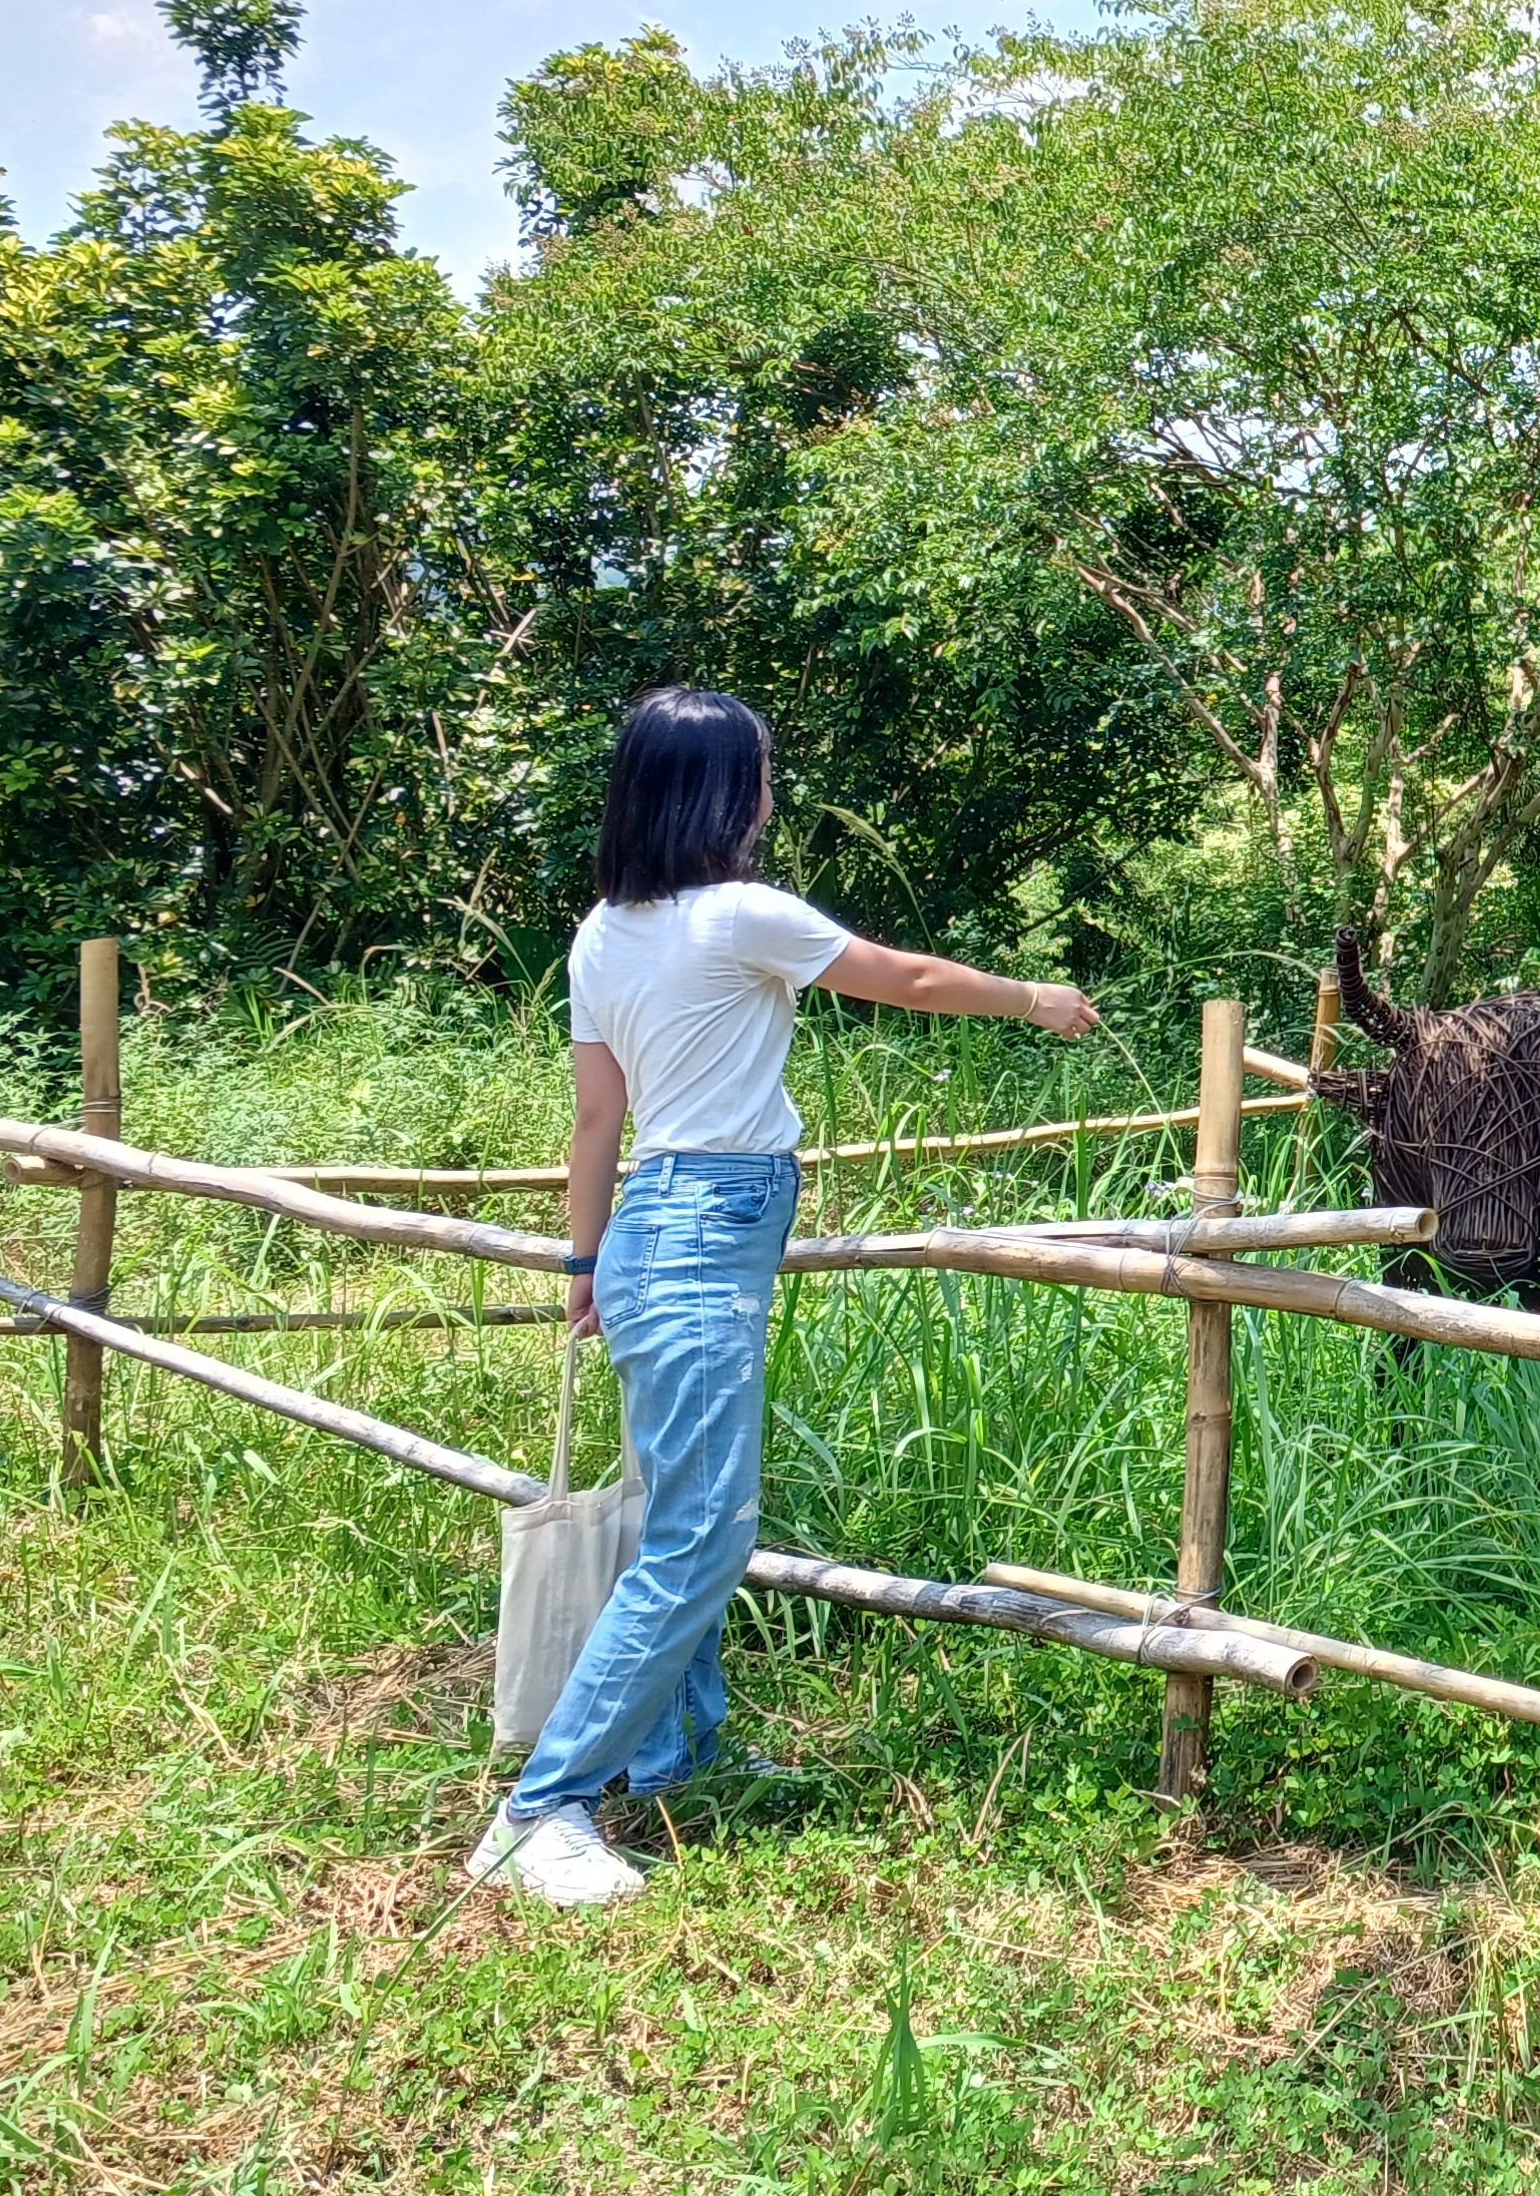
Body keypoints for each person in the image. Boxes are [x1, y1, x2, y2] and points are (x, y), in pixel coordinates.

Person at [469, 685, 1101, 1910]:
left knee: (680, 1513)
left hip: (658, 1227)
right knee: (705, 1530)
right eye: (757, 773)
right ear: (716, 791)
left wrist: (585, 1263)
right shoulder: (742, 914)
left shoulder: (604, 931)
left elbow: (597, 1122)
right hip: (703, 1226)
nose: (767, 794)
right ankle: (540, 1809)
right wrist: (1038, 1000)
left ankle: (679, 1753)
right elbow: (904, 977)